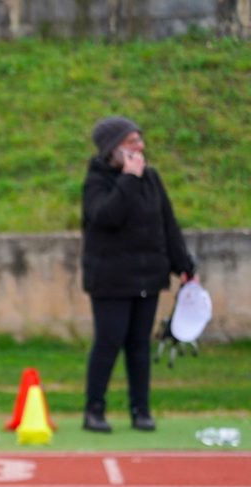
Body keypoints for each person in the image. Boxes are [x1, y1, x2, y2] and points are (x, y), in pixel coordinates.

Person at [82, 115, 195, 433]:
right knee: (108, 341)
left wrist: (185, 267)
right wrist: (129, 179)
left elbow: (167, 224)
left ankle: (140, 410)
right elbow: (106, 217)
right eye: (131, 142)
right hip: (110, 279)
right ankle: (94, 410)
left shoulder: (152, 178)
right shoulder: (97, 182)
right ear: (112, 148)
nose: (140, 148)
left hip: (147, 277)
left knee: (138, 345)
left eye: (140, 140)